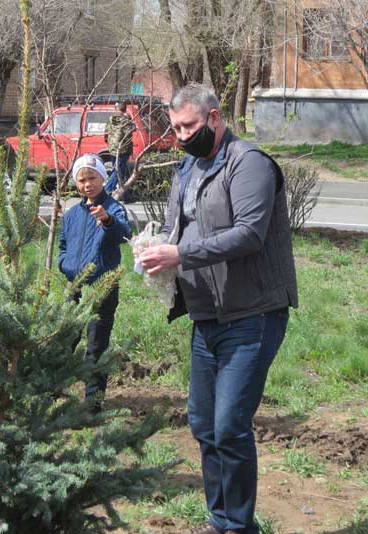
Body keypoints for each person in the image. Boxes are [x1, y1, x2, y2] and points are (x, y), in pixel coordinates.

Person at [138, 83, 298, 534]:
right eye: (175, 128)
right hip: (207, 313)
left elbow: (250, 233)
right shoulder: (187, 169)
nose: (182, 136)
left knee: (229, 425)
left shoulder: (249, 164)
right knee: (204, 424)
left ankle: (239, 527)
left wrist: (181, 256)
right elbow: (176, 228)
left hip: (254, 313)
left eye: (188, 125)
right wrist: (155, 252)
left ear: (213, 118)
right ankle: (220, 520)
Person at [58, 153, 131, 412]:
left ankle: (93, 404)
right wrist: (64, 265)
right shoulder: (71, 214)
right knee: (66, 339)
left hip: (102, 287)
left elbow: (124, 233)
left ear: (103, 178)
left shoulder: (112, 208)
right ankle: (52, 392)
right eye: (82, 180)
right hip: (74, 286)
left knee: (96, 345)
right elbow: (63, 245)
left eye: (92, 178)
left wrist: (108, 220)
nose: (87, 184)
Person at [103, 101, 134, 196]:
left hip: (112, 149)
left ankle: (125, 196)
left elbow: (105, 134)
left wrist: (110, 144)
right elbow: (129, 135)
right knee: (118, 172)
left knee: (121, 172)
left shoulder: (110, 119)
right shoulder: (126, 120)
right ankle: (105, 192)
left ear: (116, 109)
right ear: (125, 109)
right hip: (123, 150)